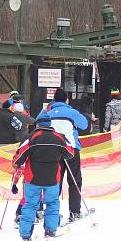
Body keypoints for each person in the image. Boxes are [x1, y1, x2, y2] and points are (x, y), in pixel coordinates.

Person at [12, 114, 74, 241]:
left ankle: (25, 234)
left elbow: (18, 158)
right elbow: (70, 153)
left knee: (30, 205)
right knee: (52, 203)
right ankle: (50, 230)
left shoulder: (31, 137)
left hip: (32, 178)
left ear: (37, 124)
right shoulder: (59, 137)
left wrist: (16, 163)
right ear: (50, 124)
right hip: (53, 178)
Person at [46, 88, 89, 221]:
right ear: (66, 99)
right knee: (75, 179)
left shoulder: (48, 113)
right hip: (71, 149)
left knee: (55, 180)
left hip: (53, 150)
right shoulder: (71, 112)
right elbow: (84, 124)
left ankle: (52, 212)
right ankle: (74, 211)